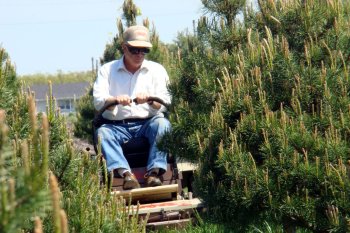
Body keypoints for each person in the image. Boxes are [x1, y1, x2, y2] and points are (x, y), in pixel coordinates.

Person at [93, 25, 171, 190]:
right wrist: (114, 100)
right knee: (102, 133)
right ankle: (126, 175)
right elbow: (99, 101)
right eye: (135, 50)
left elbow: (165, 101)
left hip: (149, 123)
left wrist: (150, 100)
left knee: (163, 125)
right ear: (124, 47)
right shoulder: (107, 70)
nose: (139, 54)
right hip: (116, 126)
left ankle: (154, 173)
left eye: (144, 50)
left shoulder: (157, 70)